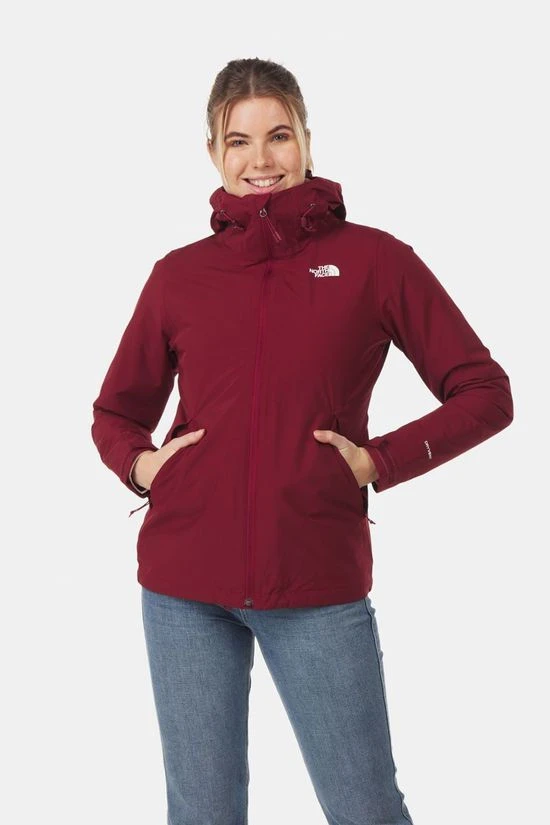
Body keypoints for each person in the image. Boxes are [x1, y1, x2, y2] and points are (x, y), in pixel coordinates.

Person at [91, 57, 513, 825]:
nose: (261, 159)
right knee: (202, 814)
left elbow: (486, 392)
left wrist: (378, 460)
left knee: (365, 808)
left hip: (316, 582)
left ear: (308, 142)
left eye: (279, 135)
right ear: (214, 153)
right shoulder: (179, 276)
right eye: (239, 140)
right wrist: (144, 466)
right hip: (182, 586)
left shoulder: (375, 261)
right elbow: (115, 412)